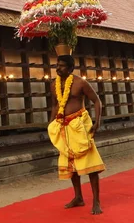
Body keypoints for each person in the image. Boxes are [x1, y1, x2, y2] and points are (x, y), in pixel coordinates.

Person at [47, 55, 104, 215]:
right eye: (57, 65)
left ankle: (96, 201)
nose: (58, 68)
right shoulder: (54, 85)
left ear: (71, 69)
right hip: (63, 126)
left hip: (79, 125)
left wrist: (97, 122)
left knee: (90, 165)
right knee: (70, 165)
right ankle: (78, 197)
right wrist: (51, 125)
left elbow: (97, 101)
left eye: (62, 66)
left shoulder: (80, 83)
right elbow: (55, 105)